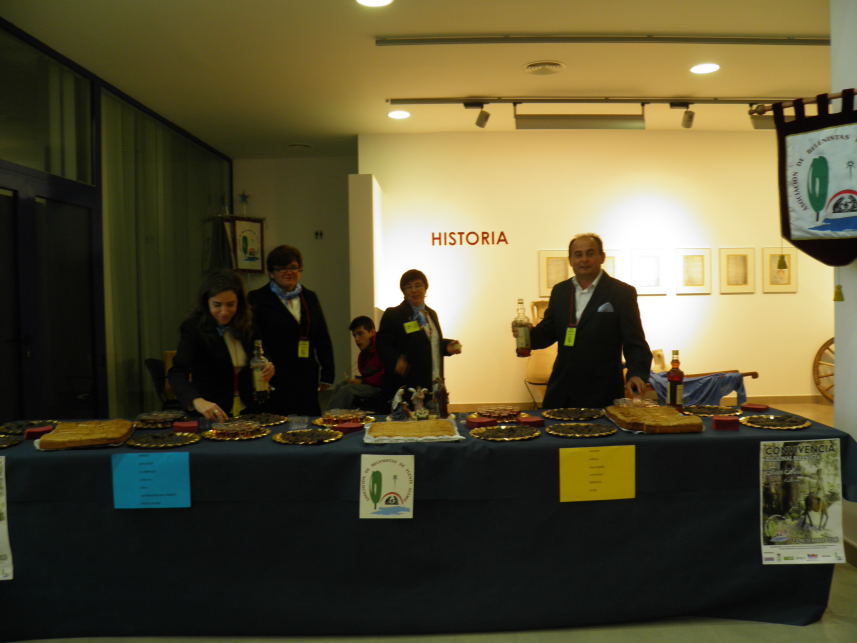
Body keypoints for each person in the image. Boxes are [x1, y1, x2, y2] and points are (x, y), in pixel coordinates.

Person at [523, 233, 651, 408]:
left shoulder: (621, 293)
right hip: (561, 390)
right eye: (578, 254)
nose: (584, 259)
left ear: (602, 257)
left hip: (602, 390)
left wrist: (636, 373)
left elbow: (634, 340)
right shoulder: (560, 291)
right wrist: (525, 335)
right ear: (570, 260)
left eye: (590, 253)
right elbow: (548, 333)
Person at [168, 269, 274, 422]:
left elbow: (263, 353)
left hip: (251, 409)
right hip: (212, 412)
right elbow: (177, 372)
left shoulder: (249, 323)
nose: (224, 312)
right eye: (217, 305)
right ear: (206, 303)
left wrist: (269, 365)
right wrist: (196, 401)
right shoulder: (193, 328)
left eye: (230, 305)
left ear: (239, 303)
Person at [248, 244, 334, 416]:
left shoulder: (309, 297)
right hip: (274, 374)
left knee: (309, 423)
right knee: (277, 422)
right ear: (271, 273)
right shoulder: (257, 298)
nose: (289, 272)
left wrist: (328, 373)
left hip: (306, 372)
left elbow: (322, 336)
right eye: (281, 268)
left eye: (293, 267)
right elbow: (254, 337)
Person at [377, 269, 461, 397]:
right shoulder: (394, 314)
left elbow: (430, 343)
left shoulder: (431, 314)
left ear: (425, 288)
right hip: (407, 385)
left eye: (418, 285)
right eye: (408, 287)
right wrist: (396, 361)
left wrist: (447, 346)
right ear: (403, 291)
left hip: (434, 382)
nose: (414, 290)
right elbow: (383, 345)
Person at [326, 316, 385, 410]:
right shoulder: (363, 355)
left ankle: (332, 416)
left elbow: (385, 375)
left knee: (347, 390)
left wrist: (362, 381)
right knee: (341, 385)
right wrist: (359, 380)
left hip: (382, 388)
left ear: (372, 332)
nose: (356, 339)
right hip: (371, 384)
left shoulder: (383, 348)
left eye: (360, 334)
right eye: (354, 335)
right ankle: (331, 414)